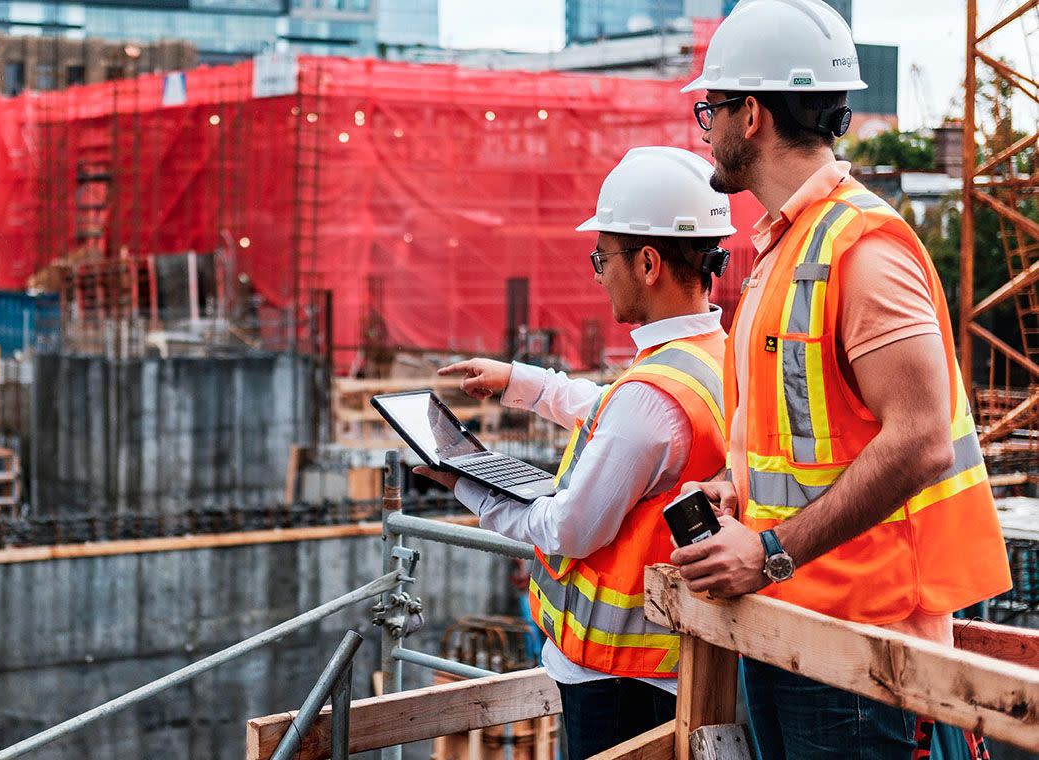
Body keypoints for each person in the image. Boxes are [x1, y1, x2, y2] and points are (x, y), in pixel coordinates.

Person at [667, 2, 1013, 759]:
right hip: (798, 625)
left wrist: (771, 551)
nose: (707, 128)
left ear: (750, 113)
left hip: (863, 651)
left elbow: (920, 443)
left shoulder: (864, 248)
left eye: (712, 109)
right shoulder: (787, 249)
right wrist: (742, 496)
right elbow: (810, 437)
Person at [414, 146, 734, 760]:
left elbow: (565, 529)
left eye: (602, 257)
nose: (598, 273)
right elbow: (619, 416)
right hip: (667, 669)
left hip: (620, 680)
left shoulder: (650, 399)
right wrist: (520, 382)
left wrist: (464, 481)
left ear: (646, 263)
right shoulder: (710, 355)